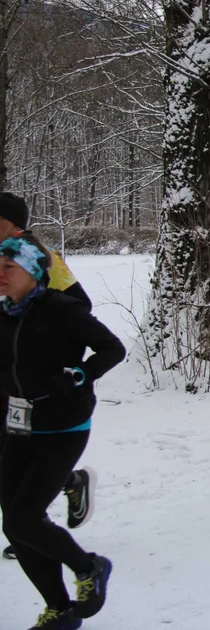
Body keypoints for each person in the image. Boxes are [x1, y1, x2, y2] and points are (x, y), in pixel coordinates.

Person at [0, 234, 125, 630]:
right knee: (15, 525)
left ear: (32, 272)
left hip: (64, 426)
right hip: (19, 426)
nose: (0, 274)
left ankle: (89, 567)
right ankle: (59, 607)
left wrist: (80, 374)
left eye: (8, 267)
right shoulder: (4, 314)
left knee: (22, 518)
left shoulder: (62, 311)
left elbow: (113, 348)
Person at [0, 194, 95, 563]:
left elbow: (80, 304)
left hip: (33, 376)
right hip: (7, 368)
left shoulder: (40, 255)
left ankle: (28, 526)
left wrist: (43, 335)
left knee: (12, 450)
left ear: (13, 223)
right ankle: (54, 497)